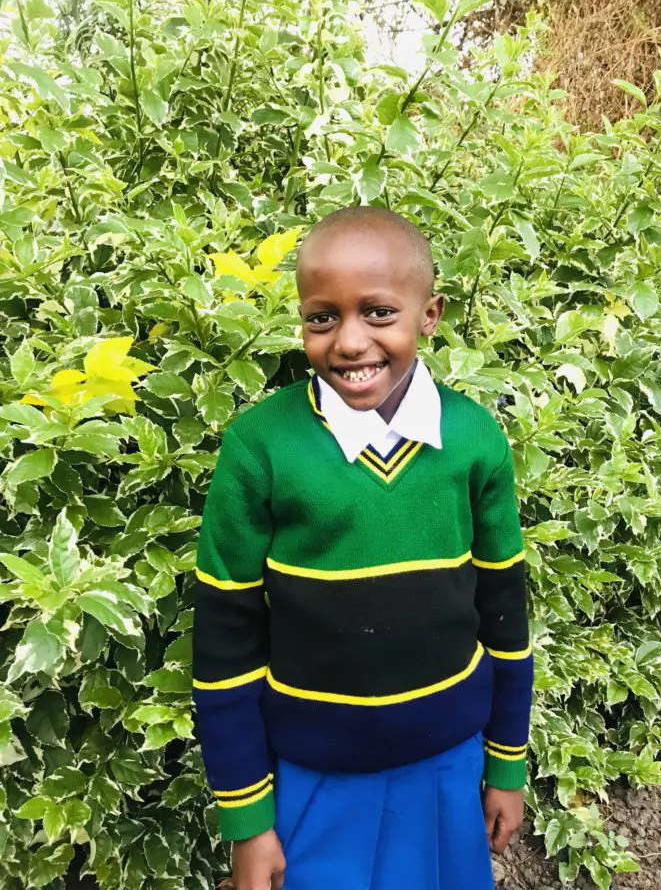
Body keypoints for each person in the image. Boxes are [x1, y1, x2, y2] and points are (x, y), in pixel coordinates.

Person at [191, 206, 533, 890]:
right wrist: (248, 822)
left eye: (378, 312)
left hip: (447, 764)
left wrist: (505, 764)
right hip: (313, 776)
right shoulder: (260, 447)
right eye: (322, 316)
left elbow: (503, 612)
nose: (349, 341)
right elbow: (225, 641)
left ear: (429, 313)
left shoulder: (472, 440)